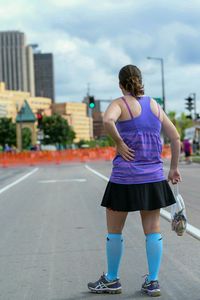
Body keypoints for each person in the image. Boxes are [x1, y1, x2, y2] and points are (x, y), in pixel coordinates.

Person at [87, 65, 181, 297]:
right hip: (153, 178)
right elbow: (176, 137)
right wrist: (174, 168)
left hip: (124, 179)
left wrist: (119, 142)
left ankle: (111, 280)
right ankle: (153, 281)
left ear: (120, 84)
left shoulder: (120, 104)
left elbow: (108, 121)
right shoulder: (154, 105)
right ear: (140, 81)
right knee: (152, 230)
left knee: (115, 231)